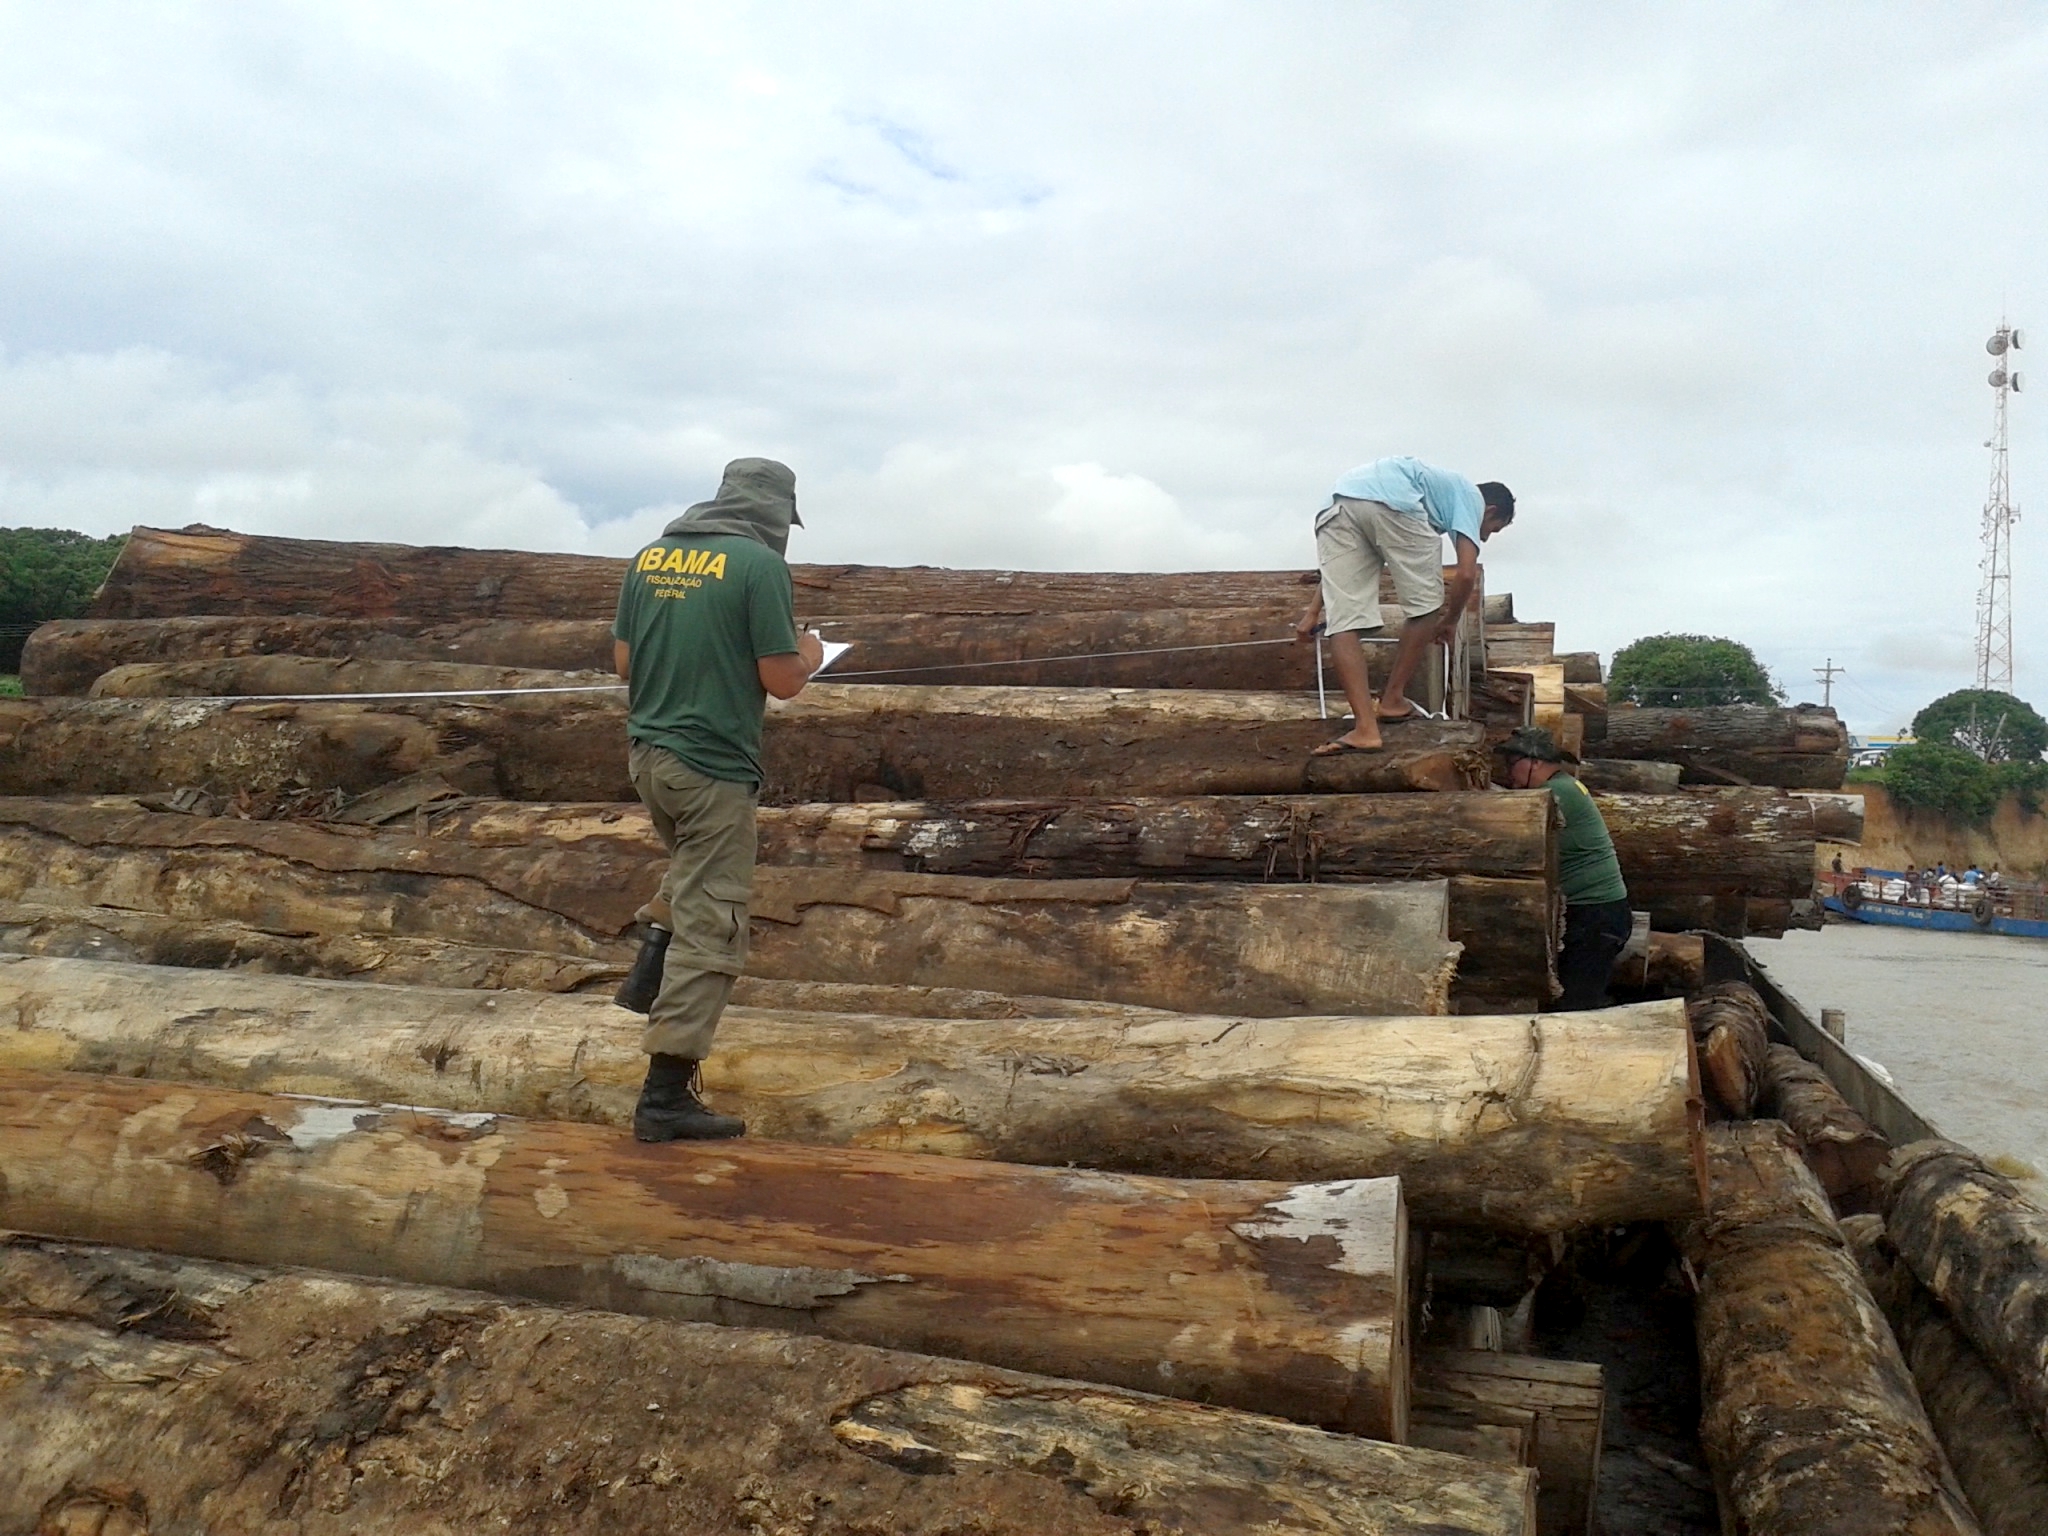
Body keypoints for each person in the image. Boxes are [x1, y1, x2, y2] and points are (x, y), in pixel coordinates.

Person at [610, 458, 825, 1141]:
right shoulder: (760, 567)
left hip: (649, 758)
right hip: (712, 766)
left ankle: (647, 973)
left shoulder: (653, 556)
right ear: (776, 512)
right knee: (715, 923)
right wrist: (811, 651)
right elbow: (783, 681)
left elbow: (624, 663)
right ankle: (665, 1095)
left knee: (692, 870)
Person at [1296, 456, 1514, 754]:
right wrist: (1450, 621)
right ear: (1489, 510)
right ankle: (1392, 699)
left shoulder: (1431, 493)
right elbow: (1466, 573)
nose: (1484, 537)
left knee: (1343, 622)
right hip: (1394, 503)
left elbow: (1339, 577)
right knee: (1426, 606)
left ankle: (1365, 729)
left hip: (1336, 506)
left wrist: (1312, 613)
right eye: (1491, 529)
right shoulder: (1470, 495)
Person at [1497, 726, 1631, 1011]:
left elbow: (1510, 832)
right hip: (1595, 914)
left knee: (1574, 1010)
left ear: (1534, 761)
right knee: (1568, 1004)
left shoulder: (1555, 793)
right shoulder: (1563, 785)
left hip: (1595, 917)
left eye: (1512, 763)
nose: (1508, 773)